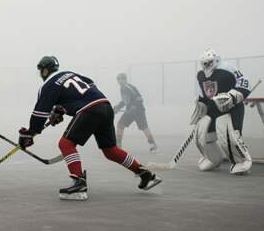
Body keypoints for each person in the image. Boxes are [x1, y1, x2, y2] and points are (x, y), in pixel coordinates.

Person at [18, 56, 161, 200]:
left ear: (45, 70)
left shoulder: (49, 85)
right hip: (105, 106)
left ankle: (79, 183)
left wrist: (30, 133)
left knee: (65, 143)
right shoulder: (70, 74)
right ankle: (145, 174)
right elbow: (87, 85)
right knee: (110, 150)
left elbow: (39, 113)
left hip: (90, 110)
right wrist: (63, 108)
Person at [191, 48, 252, 175]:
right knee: (202, 135)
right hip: (213, 109)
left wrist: (233, 96)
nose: (206, 65)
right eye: (204, 63)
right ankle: (213, 158)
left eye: (209, 62)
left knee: (231, 136)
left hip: (232, 108)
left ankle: (242, 160)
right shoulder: (200, 75)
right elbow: (204, 93)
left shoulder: (228, 69)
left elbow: (245, 84)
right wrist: (201, 104)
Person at [113, 73, 158, 153]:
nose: (120, 81)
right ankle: (118, 146)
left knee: (144, 127)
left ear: (125, 80)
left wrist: (133, 107)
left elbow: (140, 98)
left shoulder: (129, 87)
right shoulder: (122, 89)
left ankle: (153, 145)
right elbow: (124, 101)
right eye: (118, 79)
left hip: (139, 111)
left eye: (122, 79)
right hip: (129, 112)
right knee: (120, 124)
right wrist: (117, 108)